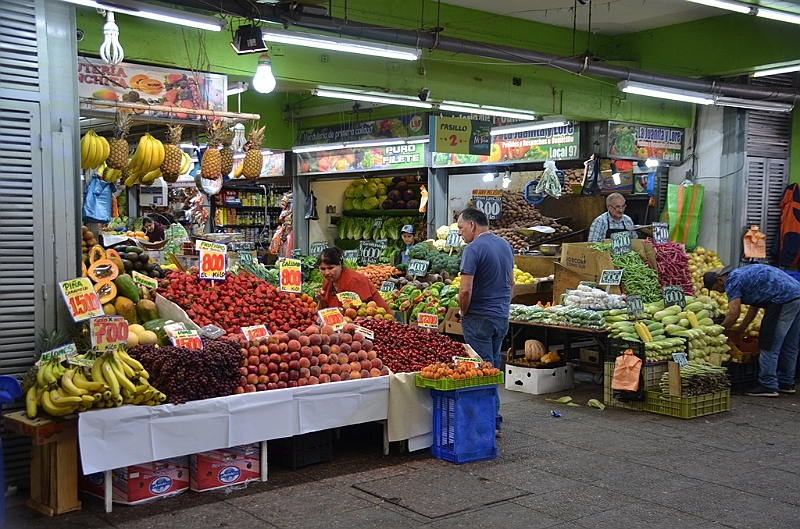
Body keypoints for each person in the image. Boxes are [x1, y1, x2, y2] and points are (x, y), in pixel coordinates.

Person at [457, 207, 514, 434]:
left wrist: (463, 312)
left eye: (461, 228)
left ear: (472, 225)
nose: (460, 233)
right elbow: (511, 286)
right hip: (501, 317)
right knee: (492, 368)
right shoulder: (505, 245)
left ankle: (488, 423)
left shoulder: (472, 249)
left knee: (481, 371)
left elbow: (465, 291)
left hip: (478, 317)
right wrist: (501, 306)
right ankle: (493, 420)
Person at [704, 264, 800, 397]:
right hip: (796, 295)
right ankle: (786, 382)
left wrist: (719, 331)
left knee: (769, 344)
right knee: (790, 344)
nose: (721, 292)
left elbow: (733, 313)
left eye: (717, 289)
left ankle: (768, 384)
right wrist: (742, 327)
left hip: (783, 300)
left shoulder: (732, 281)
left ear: (720, 280)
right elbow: (755, 306)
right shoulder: (741, 275)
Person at [314, 247, 392, 312]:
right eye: (322, 269)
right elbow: (323, 311)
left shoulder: (354, 280)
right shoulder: (327, 282)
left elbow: (362, 311)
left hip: (378, 323)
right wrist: (321, 300)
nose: (326, 272)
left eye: (330, 268)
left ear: (340, 265)